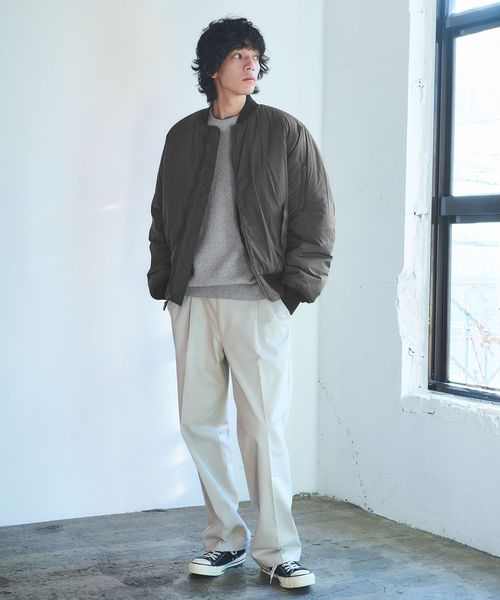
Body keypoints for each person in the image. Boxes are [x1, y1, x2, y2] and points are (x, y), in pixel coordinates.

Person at [147, 16, 335, 590]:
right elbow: (161, 216)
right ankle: (224, 541)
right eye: (238, 55)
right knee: (199, 425)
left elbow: (316, 213)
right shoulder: (182, 136)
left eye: (255, 55)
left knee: (263, 430)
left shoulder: (284, 131)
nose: (251, 64)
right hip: (193, 301)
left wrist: (293, 289)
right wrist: (165, 283)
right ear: (212, 67)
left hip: (258, 300)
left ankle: (279, 553)